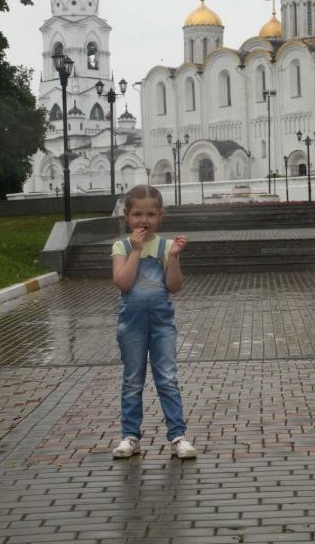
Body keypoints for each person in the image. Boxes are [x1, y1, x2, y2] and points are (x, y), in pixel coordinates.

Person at [111, 184, 196, 459]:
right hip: (132, 325)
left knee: (167, 379)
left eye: (150, 214)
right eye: (137, 214)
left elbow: (174, 286)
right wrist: (135, 251)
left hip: (161, 325)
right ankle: (130, 436)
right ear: (127, 216)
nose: (143, 220)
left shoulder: (166, 246)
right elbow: (122, 283)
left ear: (160, 216)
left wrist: (172, 258)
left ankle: (178, 436)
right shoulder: (122, 246)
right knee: (133, 379)